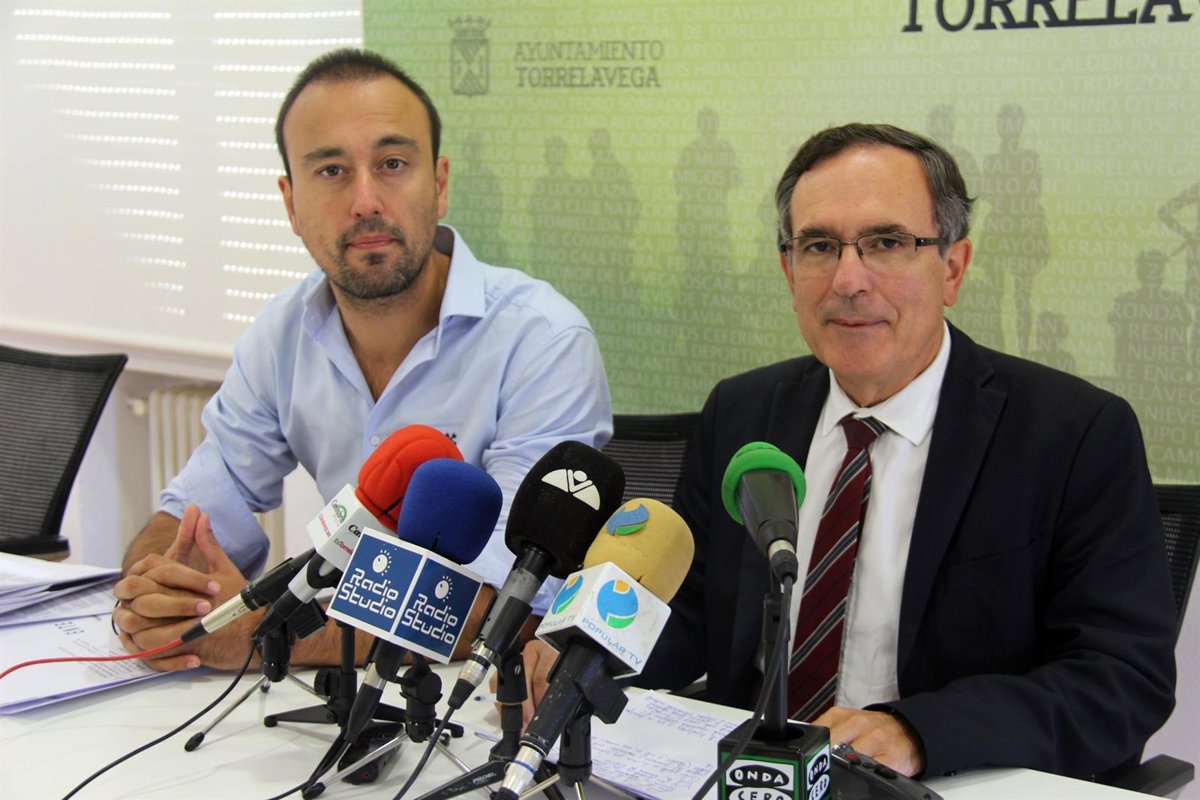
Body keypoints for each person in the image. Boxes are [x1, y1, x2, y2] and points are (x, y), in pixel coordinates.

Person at [522, 123, 1177, 782]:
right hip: (752, 779)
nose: (849, 279)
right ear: (789, 271)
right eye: (819, 246)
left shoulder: (1073, 434)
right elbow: (691, 609)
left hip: (945, 782)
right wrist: (590, 655)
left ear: (952, 268)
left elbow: (1122, 678)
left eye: (887, 243)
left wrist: (916, 732)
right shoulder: (743, 413)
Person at [112, 49, 612, 671]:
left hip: (472, 700)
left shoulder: (543, 341)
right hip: (338, 689)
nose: (366, 201)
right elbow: (193, 514)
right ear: (290, 204)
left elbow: (502, 604)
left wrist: (272, 636)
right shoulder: (281, 333)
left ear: (440, 184)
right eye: (331, 171)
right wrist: (154, 589)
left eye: (392, 164)